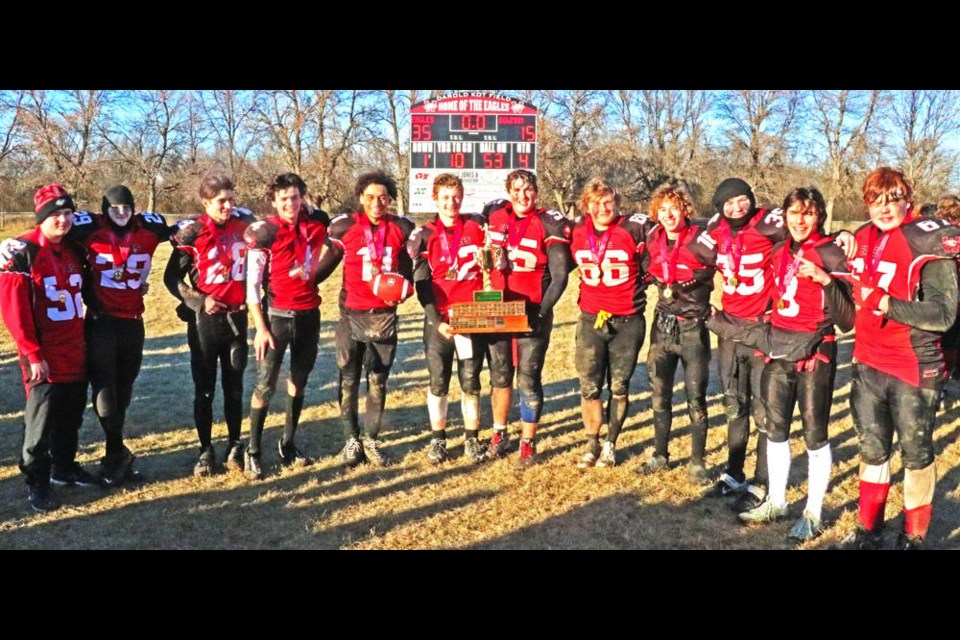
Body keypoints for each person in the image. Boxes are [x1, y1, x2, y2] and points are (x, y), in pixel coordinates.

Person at [712, 187, 854, 542]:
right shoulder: (779, 250)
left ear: (819, 215)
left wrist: (825, 280)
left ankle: (813, 512)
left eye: (808, 213)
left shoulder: (830, 253)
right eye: (794, 213)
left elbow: (849, 318)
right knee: (774, 429)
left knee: (814, 433)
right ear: (785, 215)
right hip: (779, 347)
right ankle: (776, 500)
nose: (800, 220)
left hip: (814, 353)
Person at [842, 167, 960, 549]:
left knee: (916, 453)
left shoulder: (928, 238)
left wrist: (886, 303)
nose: (884, 208)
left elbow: (944, 314)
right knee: (872, 449)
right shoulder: (862, 235)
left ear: (908, 197)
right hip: (867, 362)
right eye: (876, 200)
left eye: (893, 198)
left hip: (912, 365)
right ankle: (868, 530)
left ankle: (914, 537)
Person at [0, 185, 93, 511]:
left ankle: (63, 469)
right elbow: (14, 311)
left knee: (71, 417)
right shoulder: (22, 251)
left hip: (74, 349)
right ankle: (36, 481)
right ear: (42, 217)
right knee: (39, 423)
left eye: (67, 213)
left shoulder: (74, 250)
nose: (63, 220)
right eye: (55, 214)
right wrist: (33, 353)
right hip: (43, 354)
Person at [70, 186, 169, 485]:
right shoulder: (90, 229)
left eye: (126, 207)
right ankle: (116, 453)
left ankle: (116, 456)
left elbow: (186, 231)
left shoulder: (149, 229)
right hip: (102, 321)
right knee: (104, 391)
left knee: (123, 390)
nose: (122, 213)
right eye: (115, 208)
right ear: (104, 209)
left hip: (133, 323)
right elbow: (51, 229)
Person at [316, 171, 415, 467]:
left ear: (390, 199)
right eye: (370, 197)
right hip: (351, 313)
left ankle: (371, 439)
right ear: (360, 198)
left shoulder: (400, 227)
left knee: (378, 381)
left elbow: (408, 272)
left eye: (383, 197)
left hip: (384, 315)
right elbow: (324, 266)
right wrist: (299, 280)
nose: (377, 203)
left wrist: (402, 292)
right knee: (348, 378)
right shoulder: (346, 227)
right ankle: (351, 439)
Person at [242, 173, 329, 480]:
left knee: (299, 380)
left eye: (295, 197)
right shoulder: (265, 232)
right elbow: (251, 285)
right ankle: (252, 450)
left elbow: (335, 247)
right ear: (273, 201)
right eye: (283, 199)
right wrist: (260, 327)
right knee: (265, 385)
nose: (290, 204)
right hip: (277, 316)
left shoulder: (317, 224)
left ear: (302, 196)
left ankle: (287, 442)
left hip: (309, 313)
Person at [165, 175, 254, 477]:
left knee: (234, 387)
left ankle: (234, 444)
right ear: (206, 203)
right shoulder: (192, 233)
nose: (228, 206)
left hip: (237, 318)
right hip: (206, 322)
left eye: (231, 199)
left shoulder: (245, 225)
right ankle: (205, 448)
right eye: (221, 201)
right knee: (204, 389)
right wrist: (200, 300)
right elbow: (171, 279)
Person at [484, 169, 572, 466]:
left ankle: (527, 441)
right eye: (517, 189)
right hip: (499, 308)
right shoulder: (496, 216)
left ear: (536, 191)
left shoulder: (549, 221)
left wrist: (542, 310)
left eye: (528, 189)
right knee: (499, 375)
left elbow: (560, 276)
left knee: (528, 377)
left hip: (532, 308)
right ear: (509, 191)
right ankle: (499, 433)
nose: (523, 195)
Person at [636, 183, 716, 483]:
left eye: (674, 208)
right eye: (662, 210)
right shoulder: (653, 237)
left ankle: (697, 462)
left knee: (695, 396)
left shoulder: (701, 238)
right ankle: (660, 454)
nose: (668, 215)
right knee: (660, 393)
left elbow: (724, 260)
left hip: (693, 326)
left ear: (686, 210)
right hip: (662, 325)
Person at [569, 178, 650, 468]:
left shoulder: (633, 228)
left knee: (619, 386)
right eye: (597, 203)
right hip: (591, 318)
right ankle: (592, 443)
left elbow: (651, 267)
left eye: (608, 202)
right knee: (589, 387)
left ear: (616, 202)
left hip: (627, 319)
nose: (604, 208)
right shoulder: (577, 232)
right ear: (587, 206)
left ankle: (610, 444)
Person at [408, 174, 488, 464]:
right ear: (435, 198)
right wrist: (435, 319)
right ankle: (438, 439)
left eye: (455, 196)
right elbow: (421, 283)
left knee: (470, 379)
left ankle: (471, 438)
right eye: (445, 197)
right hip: (440, 320)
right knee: (438, 379)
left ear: (463, 196)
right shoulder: (424, 234)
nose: (451, 202)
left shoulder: (477, 227)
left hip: (471, 316)